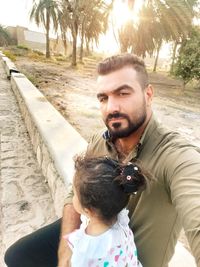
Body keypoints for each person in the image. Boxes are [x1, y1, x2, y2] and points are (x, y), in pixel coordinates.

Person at [4, 53, 200, 267]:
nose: (111, 108)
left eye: (123, 93)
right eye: (103, 98)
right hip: (91, 232)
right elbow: (73, 193)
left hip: (130, 260)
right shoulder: (100, 140)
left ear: (148, 94)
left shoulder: (177, 155)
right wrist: (65, 252)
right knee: (17, 256)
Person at [65, 155, 150, 267]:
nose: (73, 197)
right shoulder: (121, 220)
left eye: (75, 194)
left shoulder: (85, 250)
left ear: (88, 210)